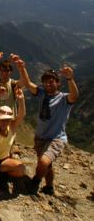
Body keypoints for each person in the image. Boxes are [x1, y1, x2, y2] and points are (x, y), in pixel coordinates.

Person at [16, 58, 79, 195]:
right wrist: (22, 68)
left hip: (56, 138)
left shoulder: (64, 98)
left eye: (51, 81)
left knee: (43, 162)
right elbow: (27, 83)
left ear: (58, 83)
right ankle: (49, 187)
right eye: (45, 81)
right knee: (47, 165)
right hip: (40, 137)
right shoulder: (42, 93)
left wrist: (70, 79)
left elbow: (75, 96)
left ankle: (35, 183)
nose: (48, 84)